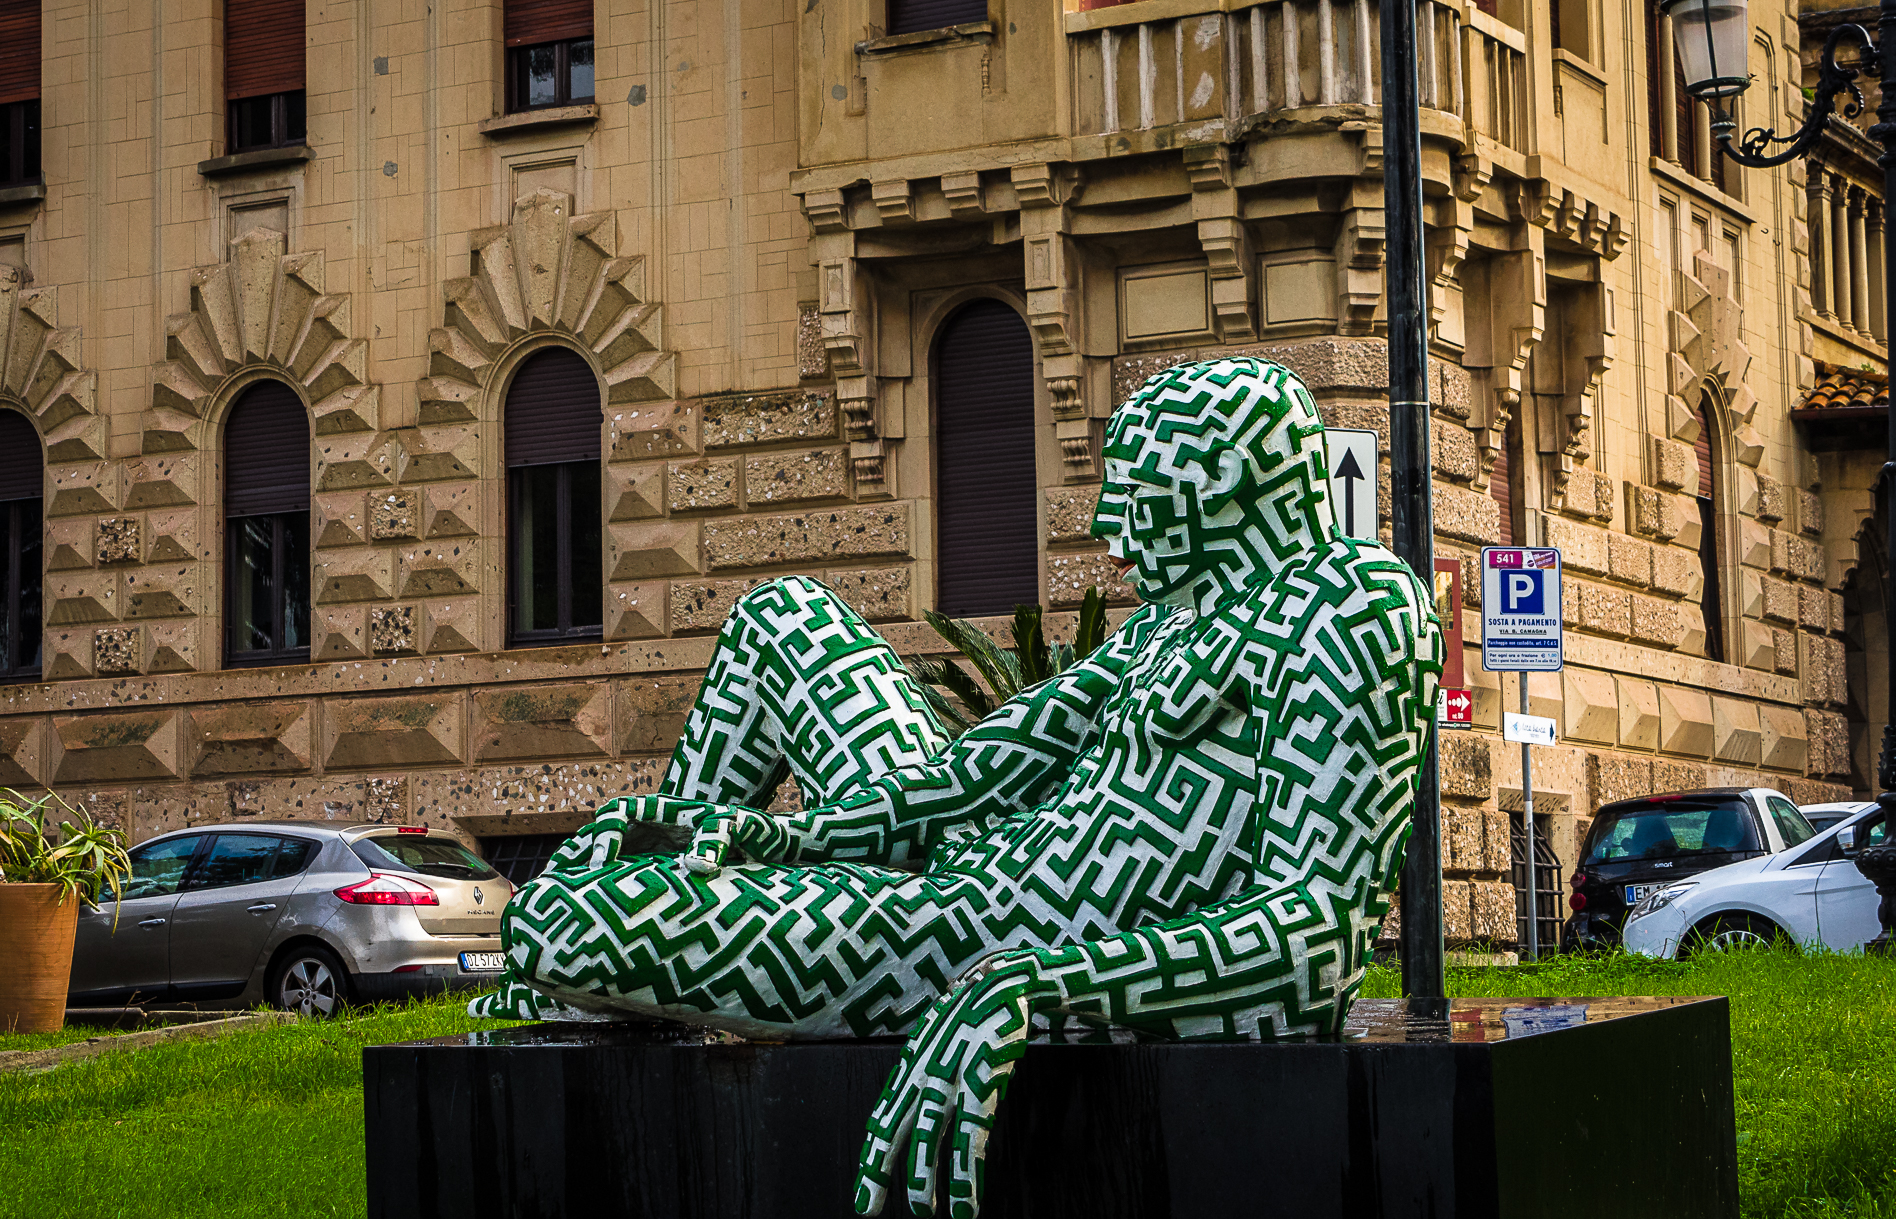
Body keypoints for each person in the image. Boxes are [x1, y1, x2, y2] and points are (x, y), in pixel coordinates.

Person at [472, 355, 1442, 1219]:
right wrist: (784, 838)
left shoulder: (1353, 610)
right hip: (970, 870)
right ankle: (652, 950)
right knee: (781, 615)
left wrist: (1032, 986)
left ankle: (629, 965)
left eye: (1137, 498)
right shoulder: (1171, 621)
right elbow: (975, 773)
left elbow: (1314, 943)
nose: (1108, 532)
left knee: (562, 919)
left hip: (965, 937)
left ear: (1224, 487)